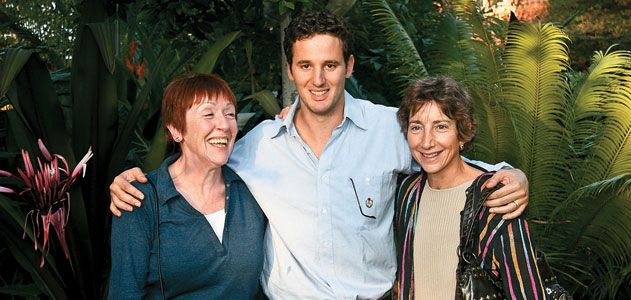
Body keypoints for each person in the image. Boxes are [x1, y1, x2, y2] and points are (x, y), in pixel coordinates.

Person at [109, 11, 529, 299]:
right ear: (290, 71)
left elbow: (445, 154)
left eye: (329, 65)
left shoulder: (390, 128)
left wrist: (509, 174)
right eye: (305, 66)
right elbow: (198, 159)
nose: (318, 79)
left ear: (349, 66)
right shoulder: (256, 147)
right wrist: (133, 183)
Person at [108, 73, 266, 299]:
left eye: (230, 114)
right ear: (176, 130)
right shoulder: (138, 198)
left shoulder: (252, 188)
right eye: (208, 114)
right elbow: (125, 292)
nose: (223, 125)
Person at [394, 76, 544, 299]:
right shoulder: (408, 191)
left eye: (441, 126)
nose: (426, 142)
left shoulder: (497, 200)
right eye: (417, 127)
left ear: (463, 133)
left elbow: (528, 293)